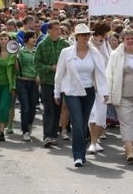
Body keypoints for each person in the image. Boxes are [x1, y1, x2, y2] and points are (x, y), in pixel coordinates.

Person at [54, 23, 108, 167]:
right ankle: (77, 155)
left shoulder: (95, 52)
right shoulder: (66, 52)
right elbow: (59, 74)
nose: (86, 37)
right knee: (77, 123)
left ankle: (81, 153)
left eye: (88, 34)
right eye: (83, 35)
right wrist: (57, 92)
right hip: (71, 91)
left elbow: (101, 73)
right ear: (77, 37)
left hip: (88, 91)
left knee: (83, 124)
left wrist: (104, 92)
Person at [106, 28, 133, 164]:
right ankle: (130, 151)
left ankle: (128, 145)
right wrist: (108, 93)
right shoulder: (116, 55)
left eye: (132, 38)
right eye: (127, 38)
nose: (130, 41)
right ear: (123, 40)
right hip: (122, 94)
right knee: (126, 123)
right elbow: (109, 75)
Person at [35, 20, 70, 148]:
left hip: (61, 83)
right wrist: (50, 68)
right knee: (48, 109)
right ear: (49, 30)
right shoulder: (42, 45)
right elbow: (37, 64)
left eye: (59, 29)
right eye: (55, 29)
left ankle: (54, 134)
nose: (58, 31)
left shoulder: (65, 44)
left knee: (57, 110)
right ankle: (47, 135)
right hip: (47, 82)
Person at [87, 21, 112, 154]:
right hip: (91, 84)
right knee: (92, 115)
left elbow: (110, 60)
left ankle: (96, 140)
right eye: (103, 34)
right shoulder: (89, 45)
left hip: (103, 86)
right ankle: (92, 142)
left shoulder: (106, 45)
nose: (105, 37)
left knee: (101, 116)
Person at [16, 31, 39, 141]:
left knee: (33, 108)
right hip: (22, 81)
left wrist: (39, 75)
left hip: (34, 82)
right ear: (26, 39)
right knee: (25, 107)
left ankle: (29, 125)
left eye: (35, 37)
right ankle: (25, 131)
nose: (34, 39)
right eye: (32, 38)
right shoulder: (20, 52)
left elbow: (39, 65)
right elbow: (16, 68)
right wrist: (15, 59)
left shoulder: (37, 52)